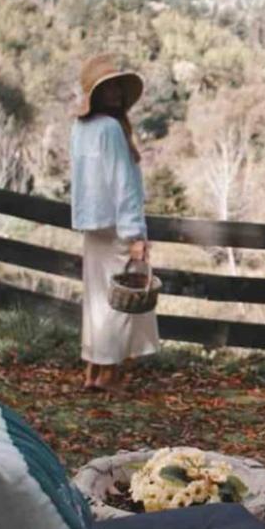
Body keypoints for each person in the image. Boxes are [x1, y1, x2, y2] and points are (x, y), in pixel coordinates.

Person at [69, 53, 159, 393]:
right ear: (96, 95)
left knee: (96, 299)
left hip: (93, 226)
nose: (117, 94)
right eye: (109, 89)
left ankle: (93, 369)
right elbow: (123, 183)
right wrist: (136, 234)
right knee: (118, 302)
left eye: (118, 88)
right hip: (118, 226)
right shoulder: (110, 128)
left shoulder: (82, 128)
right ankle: (108, 374)